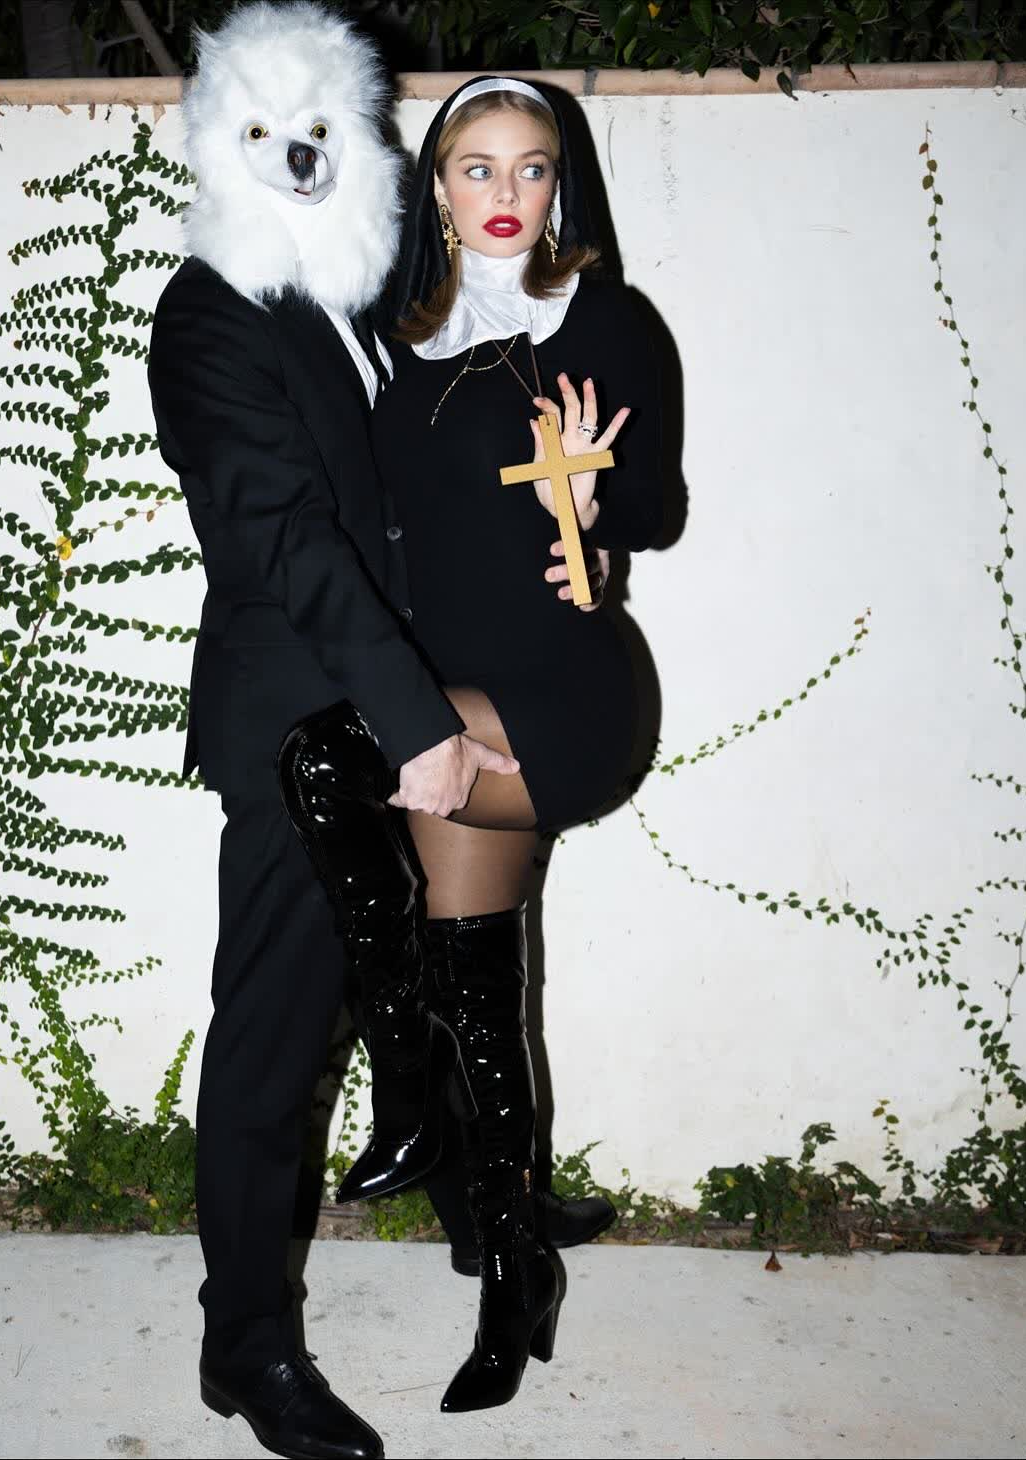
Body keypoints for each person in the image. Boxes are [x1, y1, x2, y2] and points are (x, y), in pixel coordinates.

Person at [146, 10, 589, 1458]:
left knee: (435, 968)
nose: (298, 155)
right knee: (275, 1036)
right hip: (297, 726)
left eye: (322, 130)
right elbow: (279, 536)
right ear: (220, 145)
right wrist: (414, 724)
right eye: (266, 133)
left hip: (407, 694)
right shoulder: (209, 314)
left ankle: (479, 1205)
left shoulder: (357, 285)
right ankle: (242, 1348)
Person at [361, 74, 666, 1412]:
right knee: (474, 975)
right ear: (436, 187)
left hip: (562, 692)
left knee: (328, 755)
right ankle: (507, 1248)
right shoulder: (397, 334)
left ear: (559, 182)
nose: (504, 193)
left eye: (530, 167)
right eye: (476, 167)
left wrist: (597, 509)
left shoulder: (602, 318)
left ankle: (405, 1100)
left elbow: (654, 507)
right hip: (448, 697)